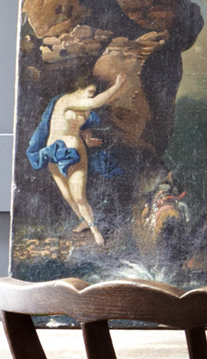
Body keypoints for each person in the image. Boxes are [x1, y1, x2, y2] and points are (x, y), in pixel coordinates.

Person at [25, 73, 130, 244]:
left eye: (94, 92)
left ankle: (95, 230)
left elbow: (82, 126)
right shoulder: (66, 101)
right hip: (54, 152)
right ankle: (83, 222)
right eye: (90, 91)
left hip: (75, 153)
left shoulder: (83, 107)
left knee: (79, 196)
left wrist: (88, 139)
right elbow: (96, 102)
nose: (92, 95)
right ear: (79, 88)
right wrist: (116, 86)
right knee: (67, 195)